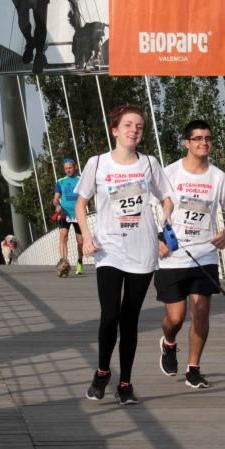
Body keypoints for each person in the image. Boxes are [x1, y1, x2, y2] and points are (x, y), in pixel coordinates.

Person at [76, 105, 174, 405]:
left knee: (130, 319)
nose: (134, 130)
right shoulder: (97, 163)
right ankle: (103, 370)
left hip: (142, 250)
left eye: (140, 126)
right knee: (110, 315)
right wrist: (86, 236)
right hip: (108, 250)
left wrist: (163, 227)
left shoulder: (149, 163)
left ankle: (126, 383)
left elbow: (167, 199)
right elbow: (81, 204)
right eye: (128, 125)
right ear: (115, 129)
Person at [155, 120, 225, 389]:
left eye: (208, 138)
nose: (204, 143)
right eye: (198, 139)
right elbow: (150, 209)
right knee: (176, 318)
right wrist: (157, 238)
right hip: (172, 255)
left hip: (204, 254)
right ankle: (168, 343)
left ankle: (194, 368)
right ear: (187, 143)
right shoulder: (169, 173)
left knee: (201, 311)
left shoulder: (218, 178)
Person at [53, 158, 84, 274]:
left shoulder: (81, 179)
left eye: (70, 168)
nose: (68, 170)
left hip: (77, 213)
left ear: (75, 167)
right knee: (63, 235)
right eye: (66, 169)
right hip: (64, 213)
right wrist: (57, 205)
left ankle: (80, 262)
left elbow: (86, 195)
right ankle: (63, 264)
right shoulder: (60, 181)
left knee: (80, 241)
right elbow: (55, 199)